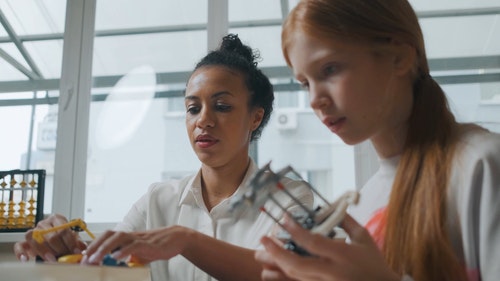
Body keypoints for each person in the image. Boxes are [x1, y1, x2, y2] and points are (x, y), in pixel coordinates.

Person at [13, 34, 314, 281]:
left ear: (255, 118)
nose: (203, 121)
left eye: (222, 107)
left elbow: (284, 273)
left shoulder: (289, 196)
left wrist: (185, 240)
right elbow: (102, 262)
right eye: (193, 108)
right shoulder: (159, 199)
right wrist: (57, 245)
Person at [254, 1, 500, 281]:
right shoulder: (364, 205)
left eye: (330, 69)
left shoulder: (484, 164)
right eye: (305, 83)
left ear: (399, 57)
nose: (314, 100)